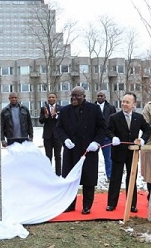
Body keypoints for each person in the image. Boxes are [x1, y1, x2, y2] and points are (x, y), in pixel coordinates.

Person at [55, 86, 106, 215]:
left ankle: (87, 206)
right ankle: (69, 205)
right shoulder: (65, 110)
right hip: (71, 150)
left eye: (77, 96)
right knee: (70, 179)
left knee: (88, 179)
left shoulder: (94, 109)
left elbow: (102, 128)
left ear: (84, 96)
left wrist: (96, 142)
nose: (74, 98)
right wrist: (65, 139)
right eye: (72, 96)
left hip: (88, 150)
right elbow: (58, 128)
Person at [106, 92, 151, 213]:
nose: (124, 104)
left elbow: (148, 130)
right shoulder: (114, 117)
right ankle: (111, 203)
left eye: (127, 102)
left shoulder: (139, 117)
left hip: (133, 153)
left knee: (132, 179)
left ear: (134, 104)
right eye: (123, 101)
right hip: (118, 152)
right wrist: (113, 138)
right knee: (116, 178)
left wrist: (142, 140)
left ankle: (132, 204)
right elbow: (108, 131)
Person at [95, 91, 117, 181]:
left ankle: (109, 175)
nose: (100, 97)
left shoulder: (111, 107)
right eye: (98, 96)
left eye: (102, 96)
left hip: (107, 136)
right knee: (93, 158)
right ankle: (93, 175)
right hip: (95, 136)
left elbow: (114, 121)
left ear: (105, 97)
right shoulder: (92, 107)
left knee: (108, 157)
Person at [39, 92, 62, 176]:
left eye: (53, 97)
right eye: (49, 97)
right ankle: (48, 174)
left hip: (57, 136)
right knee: (48, 156)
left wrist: (55, 115)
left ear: (56, 98)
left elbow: (62, 120)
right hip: (47, 136)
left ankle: (58, 174)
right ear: (47, 99)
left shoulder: (60, 108)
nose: (51, 99)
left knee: (58, 156)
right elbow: (40, 121)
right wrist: (46, 116)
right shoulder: (44, 108)